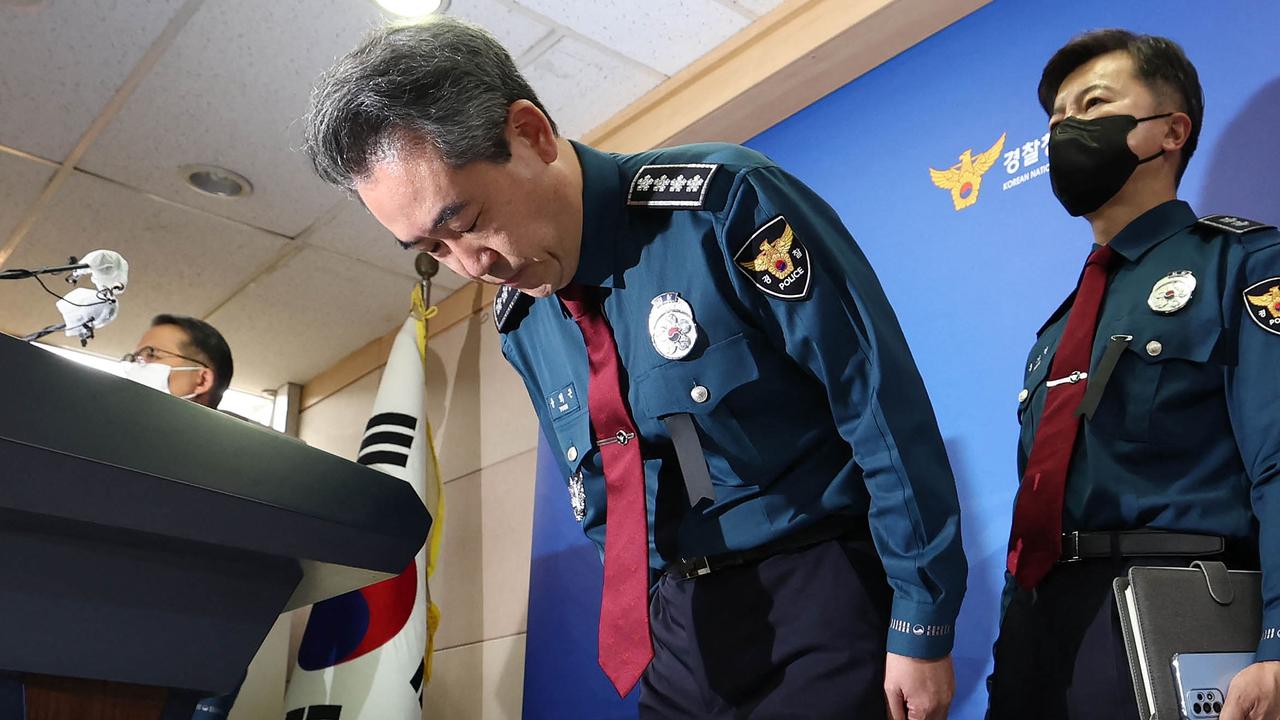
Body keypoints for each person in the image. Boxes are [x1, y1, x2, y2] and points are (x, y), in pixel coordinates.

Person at [303, 17, 967, 719]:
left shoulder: (723, 208)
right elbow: (601, 496)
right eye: (433, 249)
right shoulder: (524, 321)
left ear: (530, 133)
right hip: (677, 628)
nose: (473, 267)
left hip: (816, 594)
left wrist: (920, 624)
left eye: (465, 221)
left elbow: (881, 413)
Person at [987, 29, 1280, 720]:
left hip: (1175, 613)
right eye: (1056, 119)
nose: (1064, 131)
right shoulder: (1053, 335)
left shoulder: (1241, 265)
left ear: (1168, 131)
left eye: (1091, 105)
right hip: (1041, 638)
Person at [122, 314, 243, 719]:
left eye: (150, 355)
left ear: (201, 379)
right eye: (134, 356)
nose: (135, 365)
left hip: (197, 645)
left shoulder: (245, 465)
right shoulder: (114, 453)